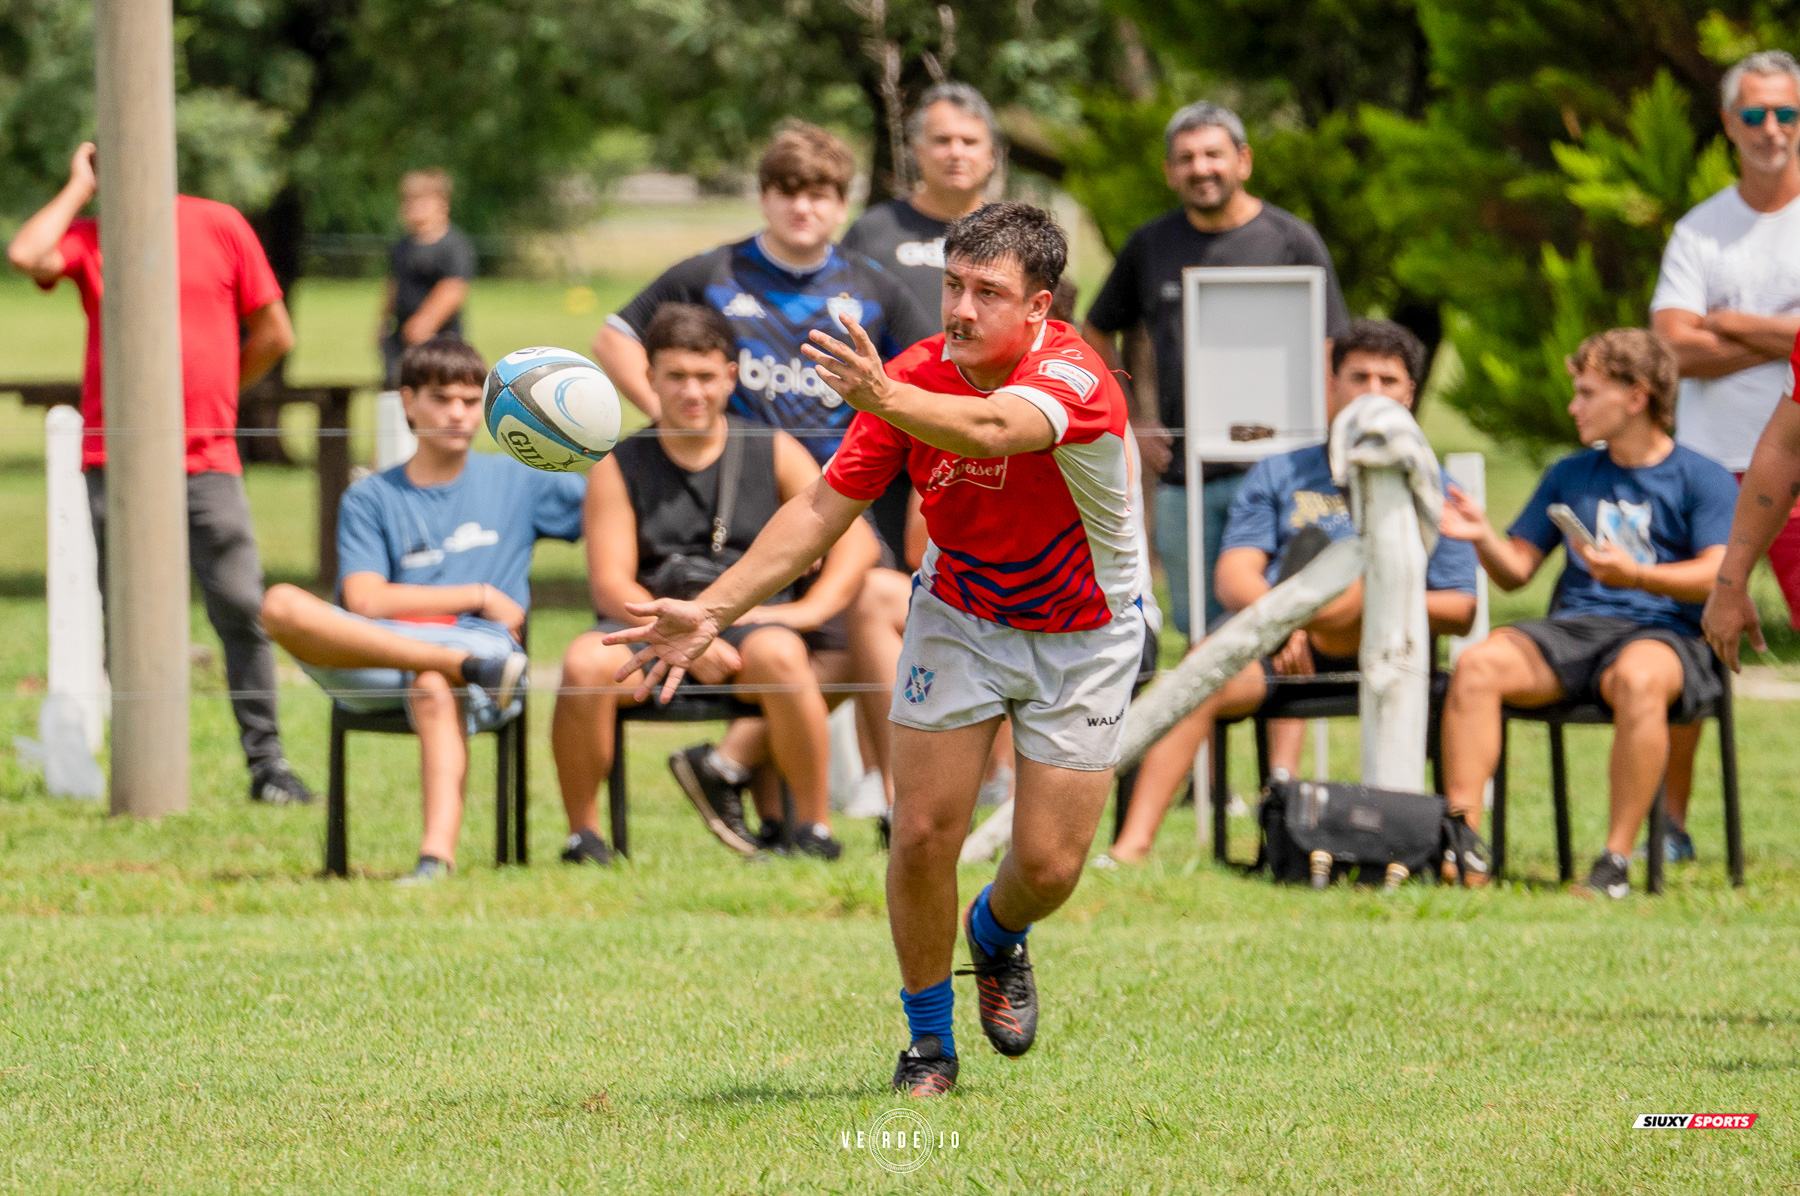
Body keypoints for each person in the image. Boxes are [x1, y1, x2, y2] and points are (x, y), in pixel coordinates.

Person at [608, 202, 1149, 1098]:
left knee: (1051, 867)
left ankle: (996, 933)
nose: (961, 308)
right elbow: (822, 509)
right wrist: (710, 610)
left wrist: (885, 397)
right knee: (923, 834)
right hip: (961, 615)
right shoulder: (908, 376)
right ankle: (928, 1044)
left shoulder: (1073, 376)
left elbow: (992, 430)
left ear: (1039, 307)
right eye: (952, 285)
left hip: (1084, 632)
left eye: (988, 293)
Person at [592, 121, 937, 822]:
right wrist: (674, 417)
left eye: (820, 193)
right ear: (763, 197)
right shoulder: (713, 274)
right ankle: (777, 800)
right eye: (787, 192)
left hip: (842, 504)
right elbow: (613, 337)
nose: (802, 207)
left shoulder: (873, 287)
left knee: (858, 638)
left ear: (841, 203)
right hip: (747, 503)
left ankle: (848, 793)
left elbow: (931, 382)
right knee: (787, 647)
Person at [1106, 319, 1477, 865]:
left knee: (1395, 625)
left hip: (1392, 647)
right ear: (1331, 385)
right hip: (1282, 647)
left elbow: (1461, 607)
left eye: (1388, 380)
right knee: (1203, 668)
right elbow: (1235, 576)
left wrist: (1359, 605)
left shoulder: (1434, 485)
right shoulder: (1281, 471)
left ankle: (1455, 853)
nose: (1372, 393)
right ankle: (1131, 847)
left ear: (1410, 395)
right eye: (1358, 377)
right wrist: (1288, 624)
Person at [7, 141, 309, 806]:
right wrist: (78, 188)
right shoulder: (94, 236)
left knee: (241, 607)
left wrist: (220, 391)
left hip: (208, 459)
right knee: (127, 617)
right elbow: (26, 254)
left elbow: (275, 333)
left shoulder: (220, 224)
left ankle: (269, 766)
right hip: (116, 461)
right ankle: (139, 769)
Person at [552, 304, 879, 862]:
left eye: (705, 376)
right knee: (583, 663)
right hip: (650, 628)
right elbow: (611, 584)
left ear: (730, 376)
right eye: (676, 376)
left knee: (782, 654)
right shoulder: (617, 462)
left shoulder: (773, 449)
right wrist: (682, 639)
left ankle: (813, 830)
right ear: (649, 378)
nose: (692, 392)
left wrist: (805, 613)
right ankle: (584, 837)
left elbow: (856, 541)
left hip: (748, 625)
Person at [260, 338, 584, 884]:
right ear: (408, 402)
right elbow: (366, 601)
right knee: (279, 604)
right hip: (385, 655)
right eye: (441, 399)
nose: (457, 414)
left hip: (482, 649)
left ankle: (435, 859)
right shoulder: (370, 497)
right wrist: (477, 594)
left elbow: (613, 510)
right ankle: (460, 667)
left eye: (469, 401)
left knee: (433, 684)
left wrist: (580, 425)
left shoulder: (520, 480)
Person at [1437, 329, 1737, 899]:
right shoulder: (1569, 474)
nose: (1574, 406)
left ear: (1637, 396)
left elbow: (1718, 575)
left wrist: (1638, 576)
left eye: (1588, 392)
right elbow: (1516, 570)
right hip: (1575, 630)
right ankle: (1462, 843)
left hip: (1667, 633)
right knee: (1477, 666)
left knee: (1639, 678)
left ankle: (1614, 861)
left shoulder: (1702, 477)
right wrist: (1480, 536)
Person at [1083, 100, 1350, 638]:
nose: (1200, 168)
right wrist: (1134, 421)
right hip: (1187, 478)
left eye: (1213, 154)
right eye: (1186, 158)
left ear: (1243, 161)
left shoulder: (1292, 240)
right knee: (1202, 634)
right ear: (1169, 171)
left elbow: (1331, 349)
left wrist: (1325, 451)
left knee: (1286, 627)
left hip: (1282, 474)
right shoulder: (1150, 244)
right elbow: (1095, 332)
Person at [1649, 49, 1800, 862]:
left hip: (1796, 472)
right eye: (1756, 114)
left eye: (1788, 113)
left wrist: (1729, 322)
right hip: (1709, 468)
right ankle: (1669, 824)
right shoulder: (1701, 229)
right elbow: (1673, 348)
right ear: (1729, 125)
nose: (1773, 128)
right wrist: (1784, 336)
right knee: (1683, 648)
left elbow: (1702, 335)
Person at [379, 168, 477, 387]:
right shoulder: (403, 245)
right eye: (408, 201)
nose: (413, 207)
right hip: (399, 339)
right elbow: (394, 284)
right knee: (396, 393)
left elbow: (453, 289)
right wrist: (383, 322)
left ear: (442, 204)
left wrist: (424, 324)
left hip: (438, 341)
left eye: (421, 201)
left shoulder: (453, 246)